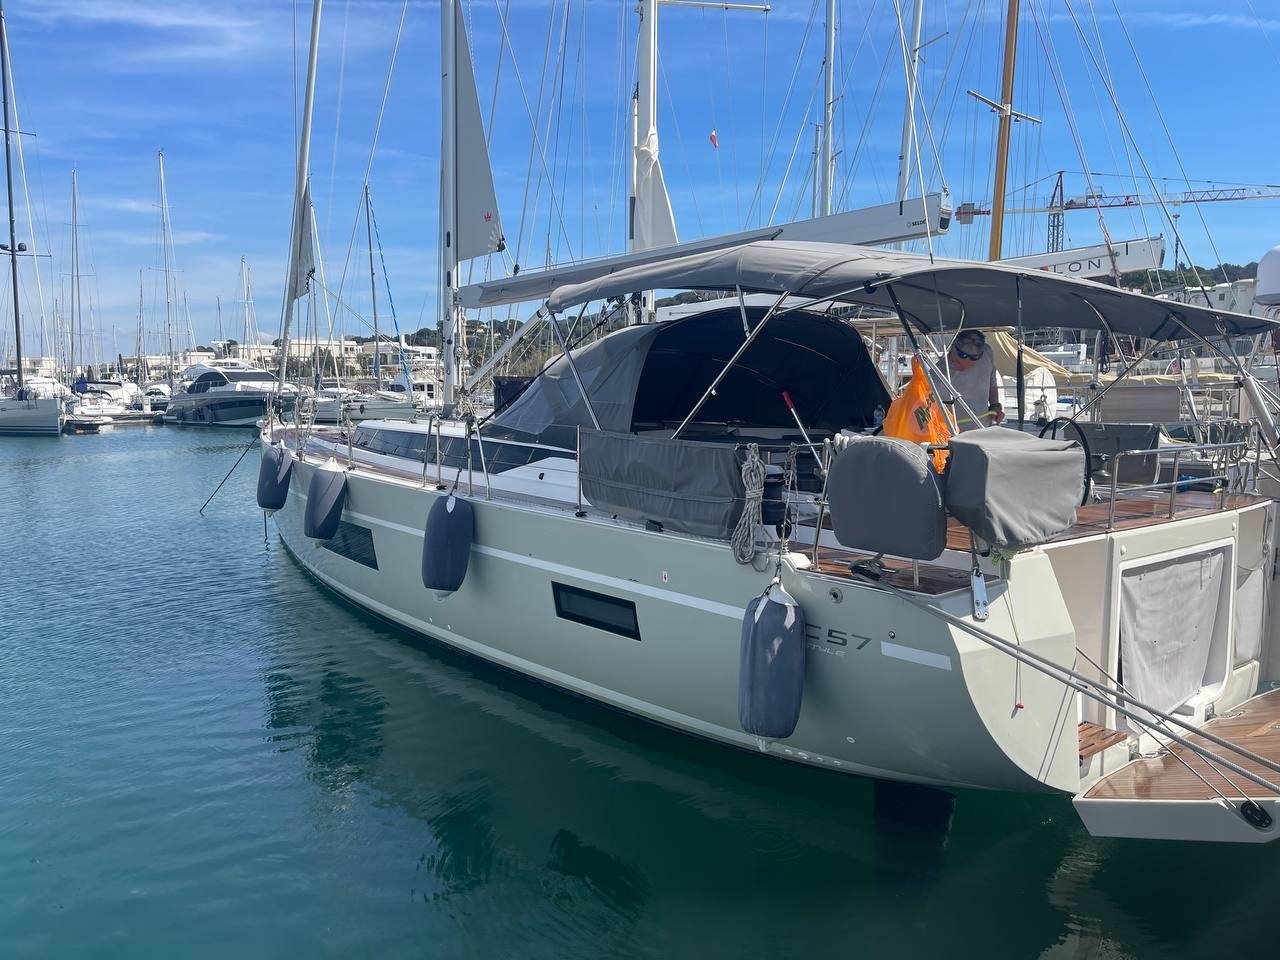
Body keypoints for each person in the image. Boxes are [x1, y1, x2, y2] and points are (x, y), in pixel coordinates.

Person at [945, 329, 1003, 431]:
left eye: (973, 358)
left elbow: (991, 381)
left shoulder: (987, 353)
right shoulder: (937, 372)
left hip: (983, 426)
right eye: (961, 357)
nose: (964, 366)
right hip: (952, 430)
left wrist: (995, 405)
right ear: (952, 348)